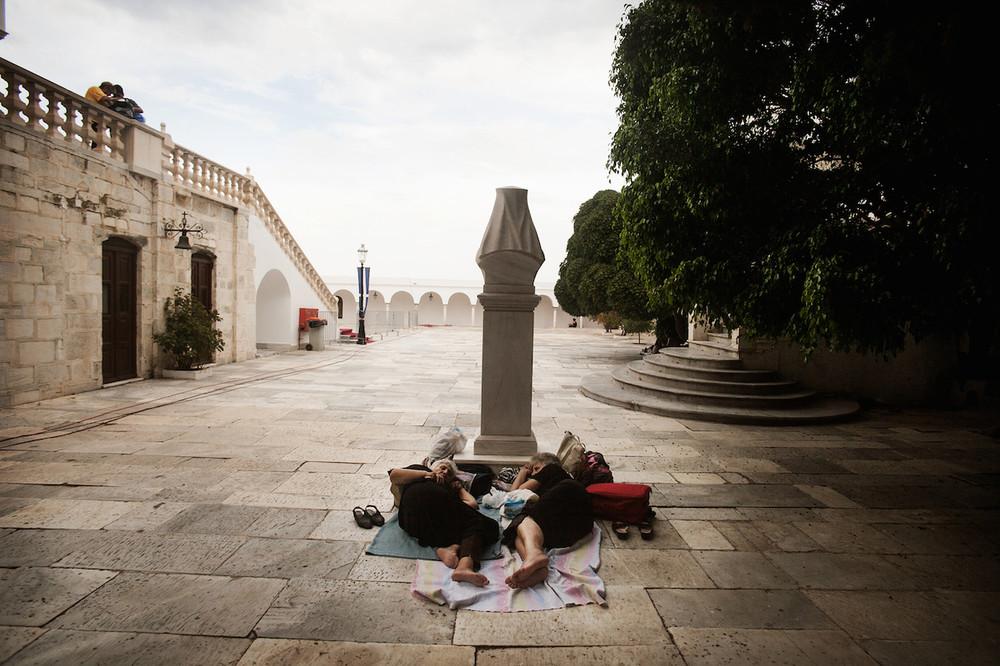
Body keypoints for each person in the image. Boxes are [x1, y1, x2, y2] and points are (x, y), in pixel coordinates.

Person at [389, 459, 500, 587]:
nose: (446, 471)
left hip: (421, 526)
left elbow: (472, 505)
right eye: (443, 467)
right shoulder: (420, 470)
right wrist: (428, 474)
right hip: (414, 509)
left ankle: (451, 553)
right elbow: (394, 475)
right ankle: (459, 556)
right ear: (433, 467)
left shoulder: (448, 488)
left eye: (450, 472)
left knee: (476, 524)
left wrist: (459, 489)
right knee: (487, 525)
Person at [502, 452, 593, 589]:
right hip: (571, 530)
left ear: (546, 464)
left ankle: (534, 556)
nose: (533, 474)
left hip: (571, 497)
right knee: (516, 530)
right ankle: (536, 566)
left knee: (523, 518)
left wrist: (522, 473)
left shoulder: (552, 469)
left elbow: (515, 493)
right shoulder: (544, 503)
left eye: (536, 469)